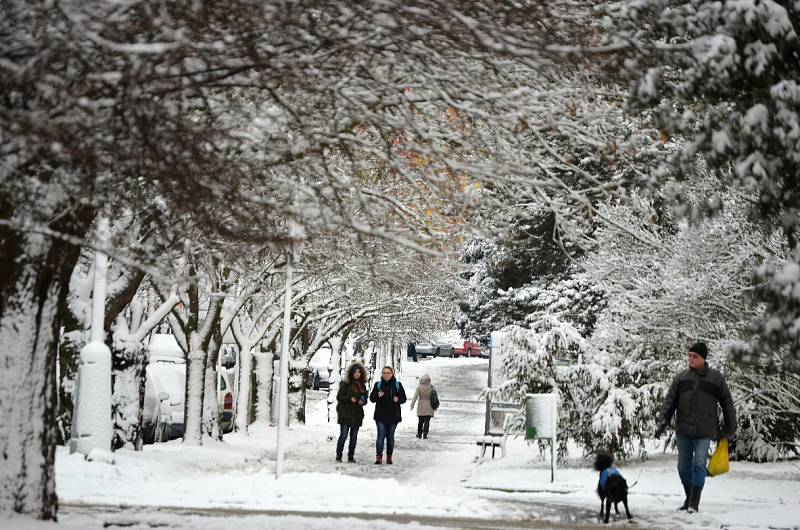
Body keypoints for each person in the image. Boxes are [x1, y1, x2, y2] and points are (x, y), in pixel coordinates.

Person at [656, 342, 737, 513]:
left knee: (699, 464)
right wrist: (663, 421)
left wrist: (730, 427)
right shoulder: (681, 378)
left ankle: (693, 504)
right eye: (689, 355)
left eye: (695, 356)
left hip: (704, 430)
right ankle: (689, 499)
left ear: (703, 359)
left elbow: (727, 404)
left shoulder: (716, 378)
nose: (691, 359)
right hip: (684, 430)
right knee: (683, 467)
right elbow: (670, 402)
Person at [369, 365, 407, 464]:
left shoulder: (397, 385)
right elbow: (372, 399)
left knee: (390, 436)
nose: (386, 375)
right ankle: (379, 457)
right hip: (380, 415)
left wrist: (398, 399)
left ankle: (389, 456)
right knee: (381, 435)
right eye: (384, 373)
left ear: (392, 374)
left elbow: (404, 398)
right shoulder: (378, 384)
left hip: (393, 416)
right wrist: (377, 395)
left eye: (388, 373)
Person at [335, 361, 368, 463]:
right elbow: (339, 397)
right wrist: (350, 399)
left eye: (359, 372)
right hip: (345, 413)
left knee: (353, 437)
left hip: (357, 414)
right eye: (355, 372)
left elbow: (365, 398)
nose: (357, 374)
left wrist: (363, 401)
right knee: (344, 435)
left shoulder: (362, 385)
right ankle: (339, 455)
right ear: (351, 373)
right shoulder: (345, 384)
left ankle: (350, 456)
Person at [409, 373, 435, 439]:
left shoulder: (419, 387)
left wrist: (412, 405)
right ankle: (425, 432)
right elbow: (435, 397)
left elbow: (415, 396)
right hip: (429, 405)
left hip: (421, 405)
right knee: (427, 420)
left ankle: (419, 433)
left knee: (420, 420)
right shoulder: (431, 387)